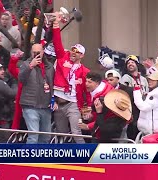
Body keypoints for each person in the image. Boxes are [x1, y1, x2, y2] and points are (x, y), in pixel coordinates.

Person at [51, 12, 91, 143]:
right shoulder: (63, 59)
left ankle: (85, 159)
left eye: (78, 52)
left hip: (73, 104)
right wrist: (56, 24)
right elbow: (57, 42)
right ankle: (62, 160)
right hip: (58, 103)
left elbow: (88, 91)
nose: (74, 53)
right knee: (61, 133)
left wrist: (87, 108)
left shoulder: (85, 71)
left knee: (76, 132)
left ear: (82, 56)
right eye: (73, 50)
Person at [19, 43, 54, 144]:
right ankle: (29, 159)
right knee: (33, 136)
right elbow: (21, 79)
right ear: (31, 53)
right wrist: (30, 66)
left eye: (38, 52)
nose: (36, 54)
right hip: (30, 105)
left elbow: (52, 84)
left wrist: (53, 100)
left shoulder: (49, 66)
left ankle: (41, 158)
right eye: (34, 52)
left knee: (46, 137)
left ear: (43, 52)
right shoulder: (25, 64)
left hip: (46, 106)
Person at [105, 69, 140, 140]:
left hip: (127, 121)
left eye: (111, 80)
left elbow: (134, 106)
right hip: (112, 123)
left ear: (118, 80)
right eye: (107, 80)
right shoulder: (105, 91)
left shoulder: (128, 90)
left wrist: (132, 119)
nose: (108, 82)